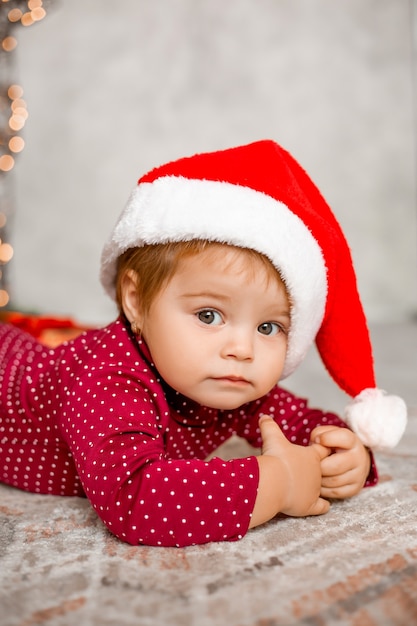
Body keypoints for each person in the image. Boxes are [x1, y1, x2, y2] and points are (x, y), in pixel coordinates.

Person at [0, 140, 407, 547]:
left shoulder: (226, 377)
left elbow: (299, 422)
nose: (242, 349)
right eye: (208, 315)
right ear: (136, 301)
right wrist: (277, 482)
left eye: (268, 327)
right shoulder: (107, 380)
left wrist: (343, 454)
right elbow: (136, 501)